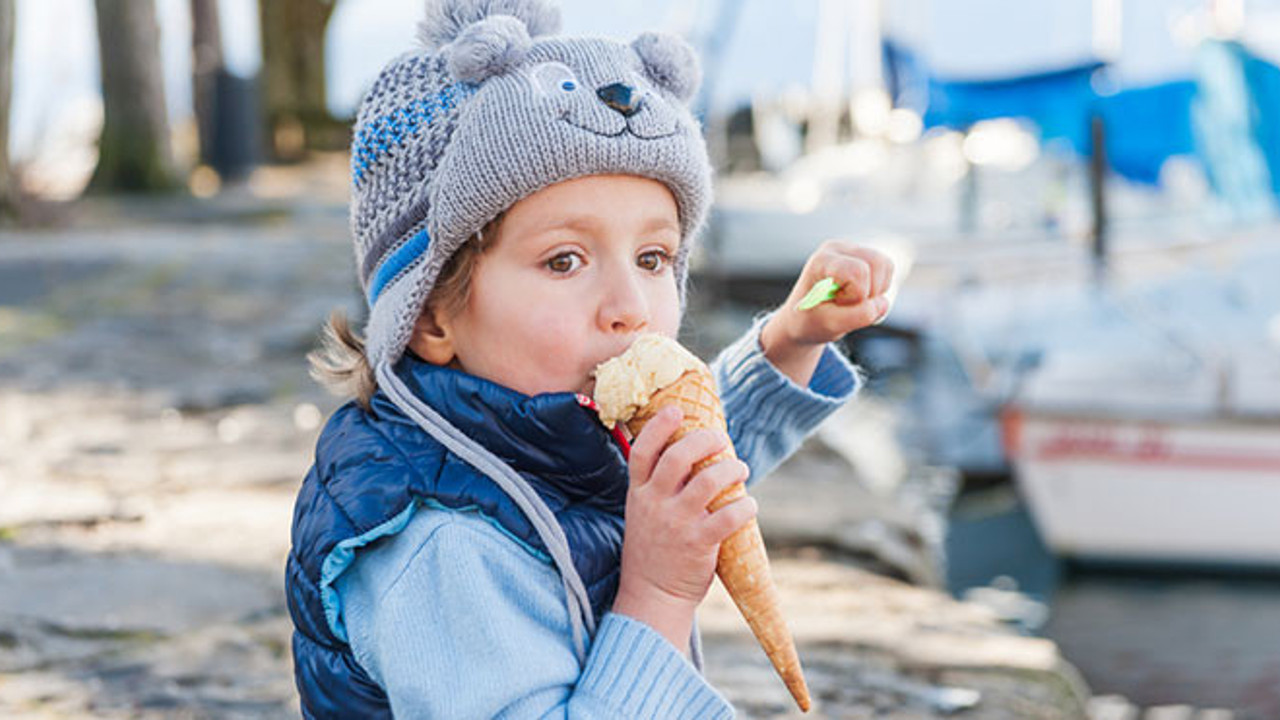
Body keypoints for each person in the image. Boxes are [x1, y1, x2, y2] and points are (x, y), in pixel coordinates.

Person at [285, 1, 894, 717]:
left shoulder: (543, 419)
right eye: (565, 260)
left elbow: (689, 474)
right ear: (429, 317)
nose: (629, 304)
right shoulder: (439, 546)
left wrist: (792, 337)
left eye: (652, 257)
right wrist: (657, 595)